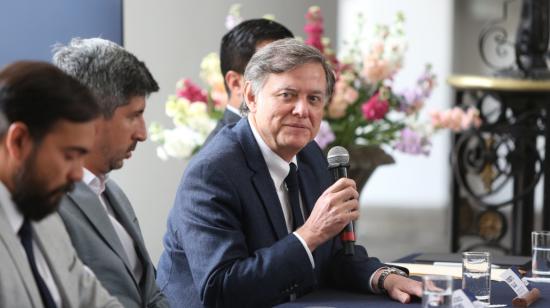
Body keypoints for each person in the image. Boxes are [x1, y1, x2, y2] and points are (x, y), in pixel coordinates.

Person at [157, 39, 422, 307]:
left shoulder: (311, 156)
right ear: (251, 96)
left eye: (314, 99)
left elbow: (334, 257)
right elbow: (222, 290)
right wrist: (310, 233)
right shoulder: (211, 173)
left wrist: (382, 277)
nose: (302, 110)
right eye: (288, 95)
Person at [53, 38, 168, 308]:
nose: (142, 133)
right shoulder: (47, 203)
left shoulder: (114, 193)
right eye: (133, 115)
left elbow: (151, 291)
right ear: (89, 114)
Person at [0, 61, 122, 308]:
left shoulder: (45, 220)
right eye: (69, 155)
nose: (78, 175)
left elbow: (96, 301)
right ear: (19, 141)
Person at [204, 18, 293, 144]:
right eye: (274, 70)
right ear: (236, 83)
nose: (289, 81)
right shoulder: (218, 157)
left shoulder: (305, 146)